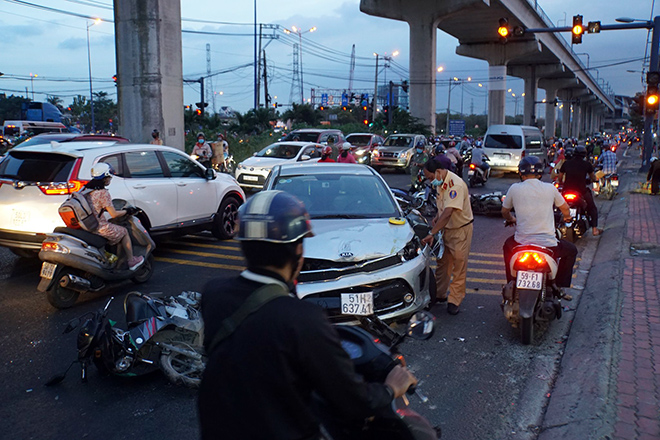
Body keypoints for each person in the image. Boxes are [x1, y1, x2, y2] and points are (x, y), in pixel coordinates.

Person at [198, 191, 417, 440]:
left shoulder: (213, 294)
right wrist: (391, 388)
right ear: (298, 250)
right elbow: (353, 401)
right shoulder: (303, 319)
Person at [501, 157, 577, 299]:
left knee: (507, 246)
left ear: (521, 173)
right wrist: (567, 217)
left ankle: (511, 281)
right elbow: (565, 208)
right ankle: (558, 285)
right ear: (540, 174)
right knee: (571, 251)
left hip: (521, 243)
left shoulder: (514, 188)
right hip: (548, 244)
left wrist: (511, 219)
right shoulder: (550, 188)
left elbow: (505, 211)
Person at [421, 159, 474, 315]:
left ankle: (455, 300)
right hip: (446, 229)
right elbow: (442, 207)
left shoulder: (455, 185)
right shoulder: (440, 183)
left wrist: (432, 232)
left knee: (459, 265)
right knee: (443, 264)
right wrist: (437, 217)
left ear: (439, 171)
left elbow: (449, 211)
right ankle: (440, 294)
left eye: (430, 177)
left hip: (460, 230)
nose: (431, 181)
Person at [85, 163, 144, 271]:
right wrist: (127, 211)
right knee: (124, 231)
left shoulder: (87, 190)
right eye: (109, 177)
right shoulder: (103, 193)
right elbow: (114, 214)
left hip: (87, 225)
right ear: (105, 177)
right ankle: (131, 261)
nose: (110, 180)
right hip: (100, 227)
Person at [558, 145, 603, 236]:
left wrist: (561, 183)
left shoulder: (566, 163)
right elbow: (593, 177)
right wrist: (594, 180)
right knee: (592, 208)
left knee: (557, 207)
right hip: (581, 191)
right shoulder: (587, 164)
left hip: (566, 190)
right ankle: (594, 229)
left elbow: (560, 177)